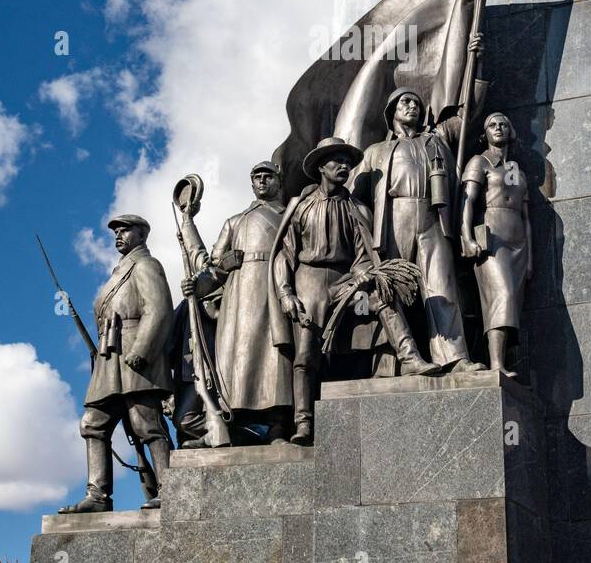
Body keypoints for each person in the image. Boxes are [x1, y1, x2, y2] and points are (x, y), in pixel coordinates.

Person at [271, 138, 438, 444]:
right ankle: (304, 421)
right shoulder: (301, 206)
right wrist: (285, 293)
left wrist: (364, 275)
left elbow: (364, 254)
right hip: (309, 281)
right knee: (306, 354)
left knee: (379, 298)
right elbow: (284, 255)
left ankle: (409, 357)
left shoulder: (356, 207)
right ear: (322, 167)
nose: (345, 167)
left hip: (346, 281)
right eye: (337, 161)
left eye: (348, 162)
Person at [350, 86, 486, 372]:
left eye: (416, 102)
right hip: (393, 219)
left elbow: (466, 118)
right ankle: (398, 362)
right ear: (392, 112)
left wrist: (478, 64)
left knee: (442, 288)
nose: (412, 106)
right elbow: (356, 197)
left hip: (432, 217)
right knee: (392, 291)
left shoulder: (435, 142)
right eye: (405, 102)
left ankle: (453, 357)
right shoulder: (376, 152)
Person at [59, 214, 174, 513]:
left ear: (142, 235)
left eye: (125, 230)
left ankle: (171, 488)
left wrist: (143, 352)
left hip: (135, 358)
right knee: (92, 423)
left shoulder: (147, 266)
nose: (119, 235)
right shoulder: (118, 272)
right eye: (116, 231)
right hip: (110, 358)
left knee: (145, 424)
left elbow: (159, 311)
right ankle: (98, 496)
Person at [178, 161, 292, 443]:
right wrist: (198, 284)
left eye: (268, 176)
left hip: (273, 289)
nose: (262, 181)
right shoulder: (235, 221)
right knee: (236, 358)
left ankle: (278, 424)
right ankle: (234, 422)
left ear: (279, 181)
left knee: (274, 356)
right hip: (238, 299)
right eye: (257, 177)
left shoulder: (290, 215)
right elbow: (214, 268)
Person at [460, 112, 532, 377]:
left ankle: (504, 361)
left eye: (504, 124)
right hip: (491, 238)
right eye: (492, 124)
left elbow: (527, 219)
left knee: (512, 302)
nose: (499, 127)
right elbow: (467, 201)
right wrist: (465, 237)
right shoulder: (479, 162)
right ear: (485, 133)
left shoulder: (517, 170)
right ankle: (496, 365)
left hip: (517, 243)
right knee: (501, 296)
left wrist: (531, 258)